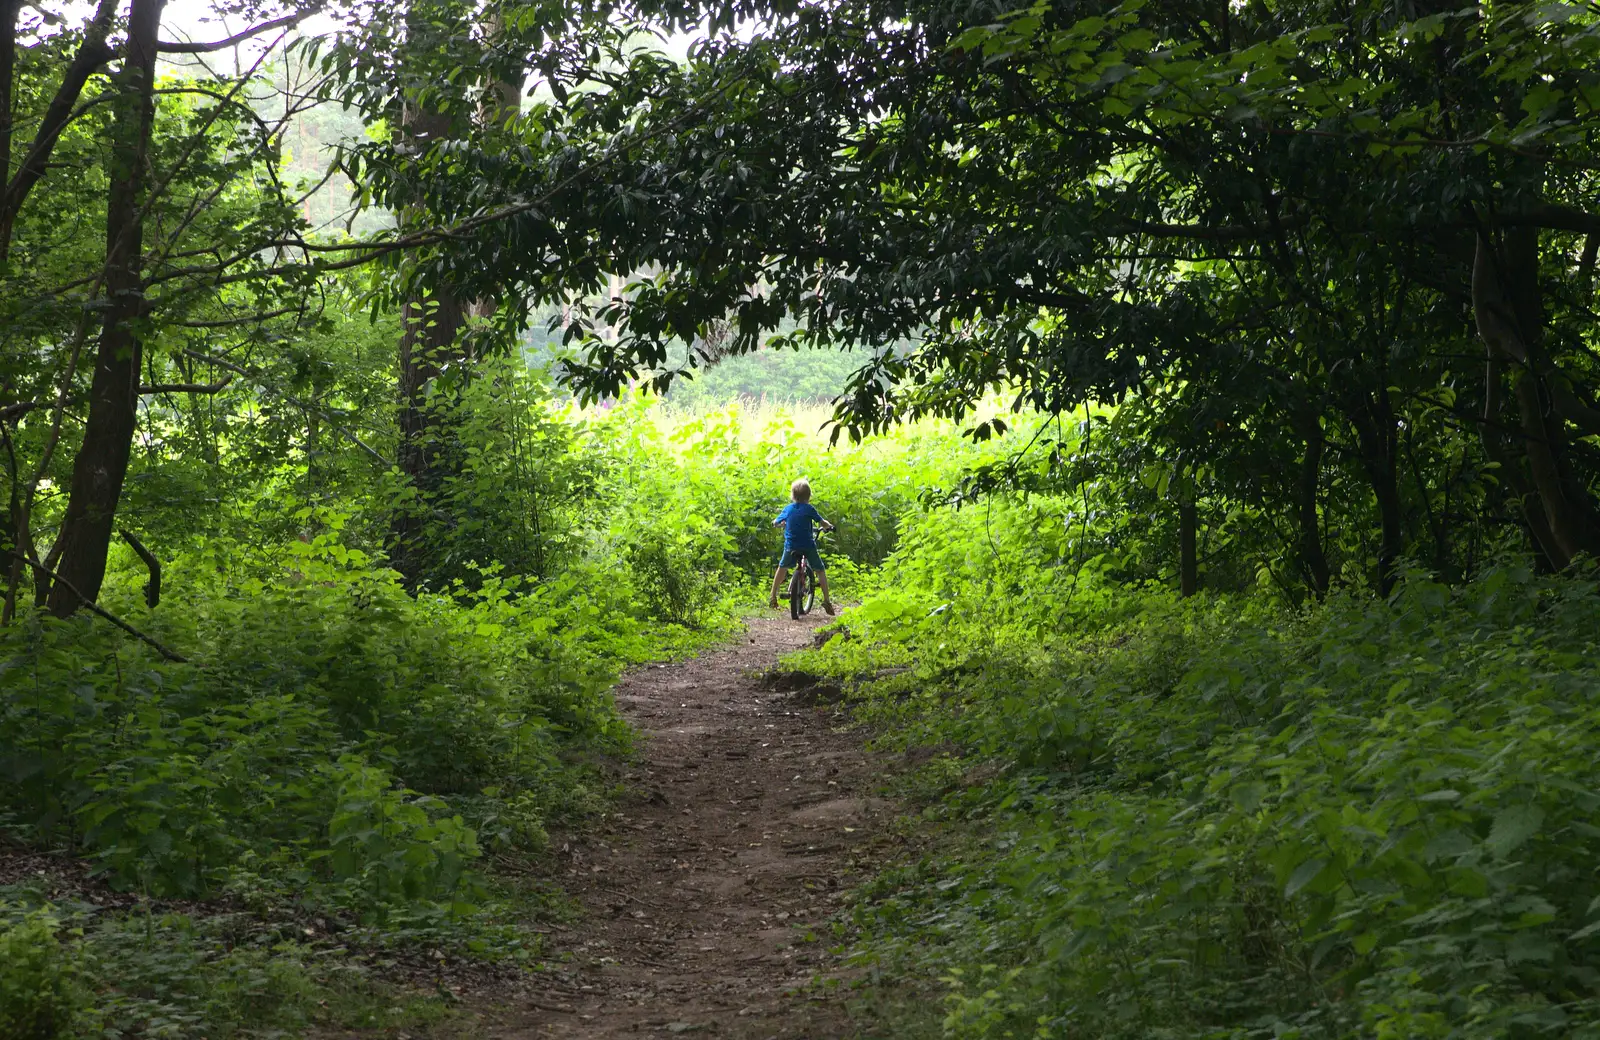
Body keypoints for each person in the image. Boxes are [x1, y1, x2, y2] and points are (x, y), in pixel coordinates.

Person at [769, 478, 835, 614]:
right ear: (809, 496)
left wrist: (778, 524)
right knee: (820, 570)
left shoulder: (788, 509)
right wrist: (829, 526)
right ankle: (827, 600)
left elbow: (775, 522)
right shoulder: (809, 509)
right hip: (807, 545)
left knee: (782, 568)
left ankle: (772, 596)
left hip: (791, 546)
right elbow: (822, 522)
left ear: (793, 496)